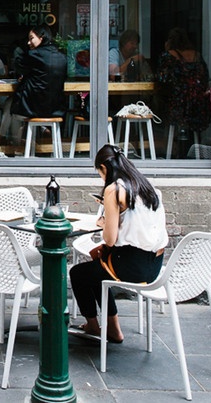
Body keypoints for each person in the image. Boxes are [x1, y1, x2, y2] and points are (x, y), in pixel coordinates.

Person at [69, 144, 168, 342]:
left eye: (99, 173)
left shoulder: (114, 189)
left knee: (78, 273)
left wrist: (106, 221)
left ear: (104, 169)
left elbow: (109, 239)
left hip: (132, 265)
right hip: (154, 266)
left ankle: (94, 326)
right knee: (95, 270)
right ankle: (113, 330)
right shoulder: (146, 186)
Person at [157, 27, 211, 139]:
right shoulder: (196, 55)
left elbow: (163, 78)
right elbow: (205, 76)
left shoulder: (168, 56)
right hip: (198, 104)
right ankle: (193, 148)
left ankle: (172, 149)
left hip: (178, 104)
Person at [9, 25, 67, 127]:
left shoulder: (33, 54)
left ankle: (12, 140)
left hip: (33, 108)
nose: (28, 42)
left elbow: (19, 65)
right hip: (57, 108)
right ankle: (41, 131)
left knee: (8, 104)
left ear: (41, 37)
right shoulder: (62, 56)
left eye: (31, 38)